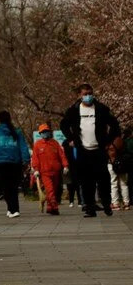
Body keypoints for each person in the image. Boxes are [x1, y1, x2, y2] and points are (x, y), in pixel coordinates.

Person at [60, 83, 121, 217]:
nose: (88, 96)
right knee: (86, 181)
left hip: (99, 150)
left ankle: (107, 204)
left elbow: (115, 125)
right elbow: (64, 124)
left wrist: (107, 141)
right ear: (79, 96)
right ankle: (90, 207)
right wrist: (70, 139)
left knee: (103, 179)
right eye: (85, 94)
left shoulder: (101, 109)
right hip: (83, 150)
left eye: (90, 93)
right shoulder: (74, 110)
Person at [0, 110, 30, 218]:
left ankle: (12, 209)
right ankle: (14, 209)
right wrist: (26, 160)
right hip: (16, 162)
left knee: (6, 187)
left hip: (2, 163)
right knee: (13, 186)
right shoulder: (17, 131)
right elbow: (23, 146)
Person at [30, 123, 68, 215]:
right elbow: (35, 158)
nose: (45, 133)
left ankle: (50, 207)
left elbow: (61, 155)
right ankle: (55, 207)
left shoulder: (55, 143)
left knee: (53, 190)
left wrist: (65, 165)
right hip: (44, 172)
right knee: (50, 190)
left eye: (46, 131)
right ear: (40, 133)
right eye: (43, 132)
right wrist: (36, 169)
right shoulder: (37, 145)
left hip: (56, 171)